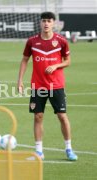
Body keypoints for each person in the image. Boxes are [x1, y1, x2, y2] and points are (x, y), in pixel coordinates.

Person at [17, 12, 78, 161]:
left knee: (62, 116)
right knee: (38, 117)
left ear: (54, 23)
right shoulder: (32, 41)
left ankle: (69, 148)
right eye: (43, 21)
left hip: (56, 85)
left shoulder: (61, 41)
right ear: (40, 23)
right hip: (38, 86)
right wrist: (20, 81)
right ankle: (39, 151)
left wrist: (56, 65)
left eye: (49, 21)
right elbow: (24, 60)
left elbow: (68, 61)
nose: (46, 24)